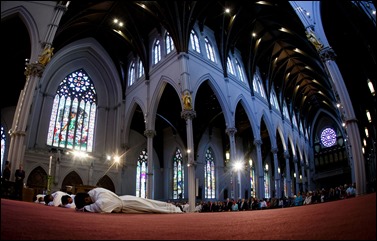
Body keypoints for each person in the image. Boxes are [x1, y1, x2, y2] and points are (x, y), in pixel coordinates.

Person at [74, 187, 183, 214]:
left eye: (87, 202)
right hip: (125, 201)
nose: (90, 203)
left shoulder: (98, 193)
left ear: (86, 199)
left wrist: (85, 208)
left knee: (151, 206)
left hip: (128, 203)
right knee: (150, 205)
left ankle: (175, 209)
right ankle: (172, 208)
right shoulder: (94, 192)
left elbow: (102, 205)